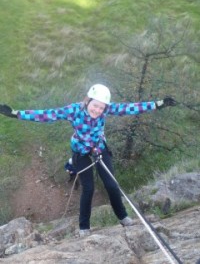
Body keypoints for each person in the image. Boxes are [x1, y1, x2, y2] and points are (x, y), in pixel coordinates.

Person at [0, 84, 176, 237]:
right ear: (88, 101)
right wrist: (16, 114)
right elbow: (47, 115)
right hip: (81, 151)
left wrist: (158, 104)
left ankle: (123, 217)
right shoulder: (74, 110)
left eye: (101, 108)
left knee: (112, 184)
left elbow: (130, 108)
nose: (98, 110)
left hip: (99, 147)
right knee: (89, 188)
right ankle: (84, 227)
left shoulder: (106, 110)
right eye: (95, 106)